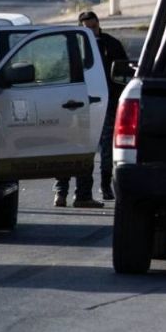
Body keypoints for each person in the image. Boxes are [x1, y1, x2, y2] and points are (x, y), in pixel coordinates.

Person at [54, 12, 129, 207]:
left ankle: (95, 190)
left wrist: (117, 98)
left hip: (104, 103)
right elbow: (60, 73)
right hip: (75, 104)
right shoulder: (72, 47)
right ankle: (62, 191)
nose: (91, 31)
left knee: (101, 149)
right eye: (87, 28)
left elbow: (123, 72)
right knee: (70, 147)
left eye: (94, 27)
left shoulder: (110, 45)